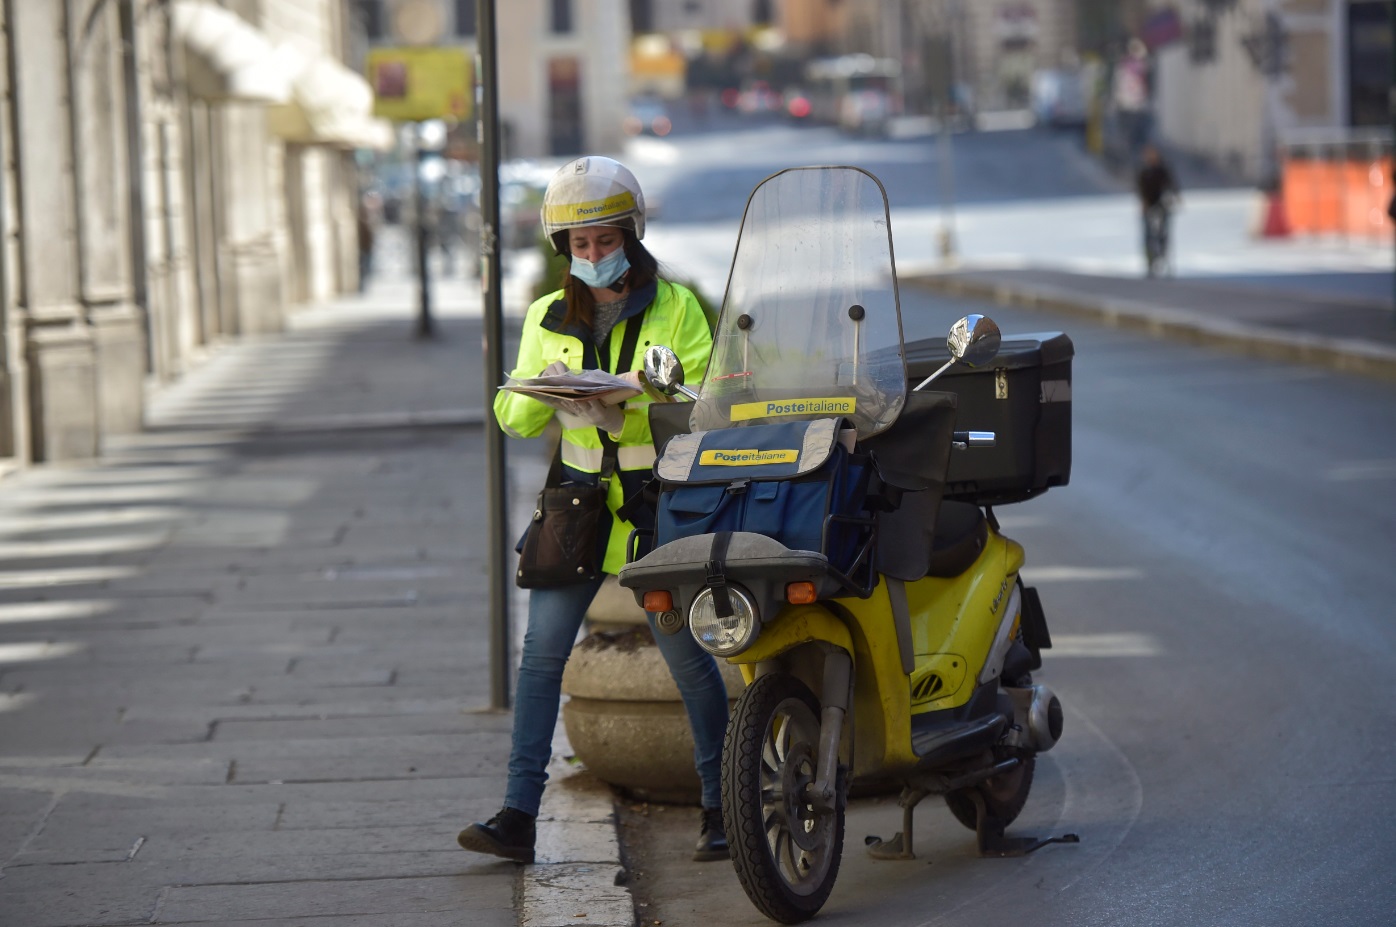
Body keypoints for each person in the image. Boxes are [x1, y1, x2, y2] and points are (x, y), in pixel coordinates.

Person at [457, 156, 731, 865]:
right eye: (579, 245)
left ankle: (722, 804)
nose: (592, 256)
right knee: (540, 658)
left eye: (605, 241)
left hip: (652, 507)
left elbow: (704, 402)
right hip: (577, 508)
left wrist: (631, 396)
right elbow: (511, 416)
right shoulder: (549, 315)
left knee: (685, 657)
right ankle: (518, 814)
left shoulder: (675, 306)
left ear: (631, 237)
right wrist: (544, 389)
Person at [1136, 144, 1179, 277]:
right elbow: (1140, 190)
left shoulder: (1162, 170)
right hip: (1149, 207)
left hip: (1162, 206)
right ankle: (1150, 262)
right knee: (1148, 236)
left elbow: (1171, 185)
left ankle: (1164, 259)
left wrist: (1174, 197)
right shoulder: (1144, 171)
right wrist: (1144, 204)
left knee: (1163, 235)